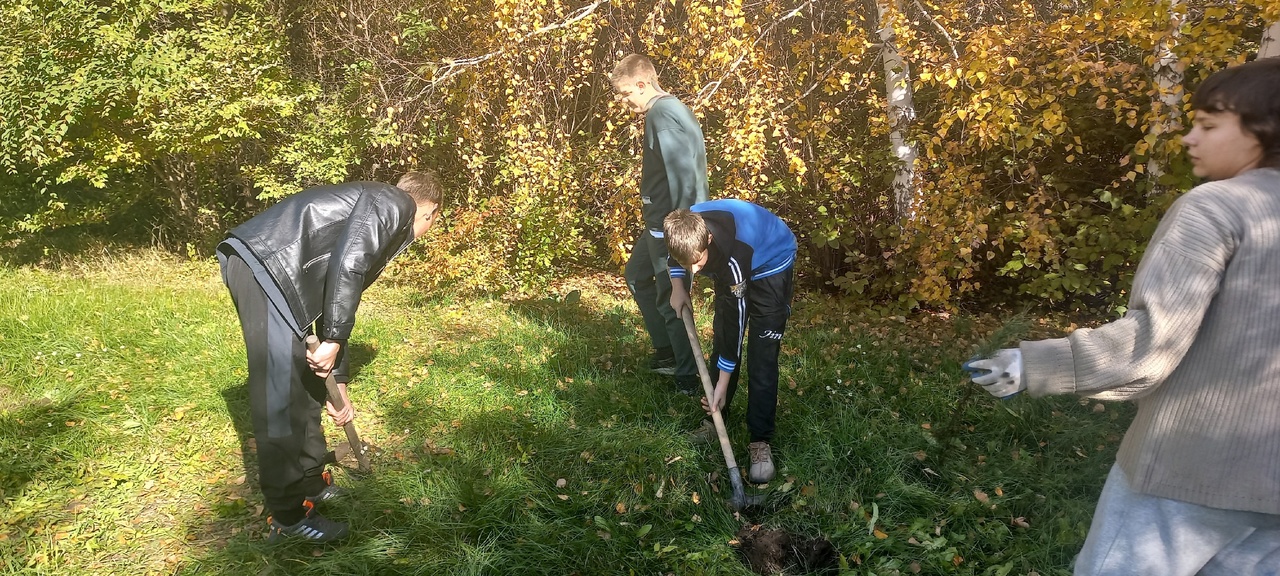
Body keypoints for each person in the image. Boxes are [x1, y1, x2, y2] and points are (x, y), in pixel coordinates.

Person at [965, 57, 1280, 575]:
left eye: (1207, 125)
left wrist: (1034, 365)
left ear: (1265, 129)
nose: (1189, 140)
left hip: (1187, 469)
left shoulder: (1217, 208)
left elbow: (1152, 345)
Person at [217, 172, 442, 542]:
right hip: (267, 269)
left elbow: (336, 293)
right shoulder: (394, 203)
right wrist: (335, 338)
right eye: (434, 221)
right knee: (278, 396)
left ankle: (311, 482)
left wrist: (338, 381)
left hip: (285, 278)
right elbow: (349, 265)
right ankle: (287, 518)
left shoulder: (379, 214)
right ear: (430, 211)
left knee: (306, 386)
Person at [664, 199, 797, 483]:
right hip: (726, 261)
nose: (695, 273)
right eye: (687, 265)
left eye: (697, 263)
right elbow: (675, 256)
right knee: (722, 337)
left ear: (708, 239)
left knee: (761, 356)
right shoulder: (682, 230)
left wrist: (721, 384)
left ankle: (760, 441)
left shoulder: (734, 257)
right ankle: (716, 419)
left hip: (770, 263)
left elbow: (738, 328)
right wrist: (678, 287)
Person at [610, 53, 709, 394]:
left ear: (643, 83)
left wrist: (683, 236)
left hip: (669, 227)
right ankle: (667, 351)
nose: (624, 102)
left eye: (626, 93)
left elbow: (683, 177)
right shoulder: (668, 111)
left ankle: (687, 375)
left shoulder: (663, 114)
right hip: (659, 221)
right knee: (637, 276)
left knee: (672, 295)